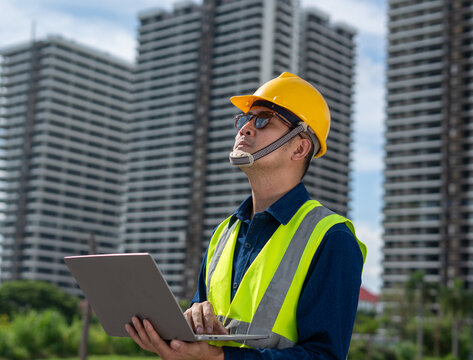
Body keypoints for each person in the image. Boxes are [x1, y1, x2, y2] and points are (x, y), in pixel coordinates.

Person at [126, 72, 367, 360]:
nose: (246, 128)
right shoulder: (224, 234)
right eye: (245, 119)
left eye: (264, 119)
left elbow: (324, 356)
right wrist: (186, 330)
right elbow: (202, 335)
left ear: (300, 147)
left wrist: (218, 358)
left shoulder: (332, 239)